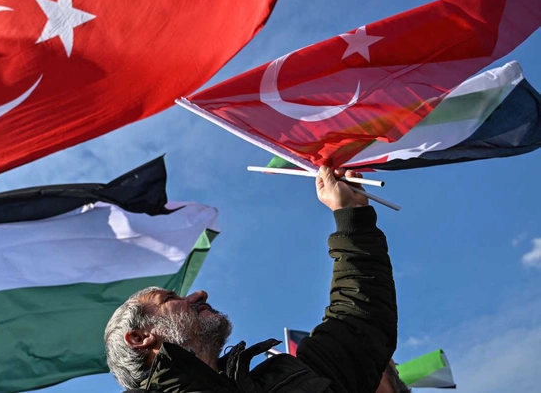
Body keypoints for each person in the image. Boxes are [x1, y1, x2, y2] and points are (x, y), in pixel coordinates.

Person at [104, 167, 398, 393]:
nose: (200, 294)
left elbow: (358, 323)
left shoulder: (287, 378)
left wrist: (351, 217)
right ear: (140, 338)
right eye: (169, 299)